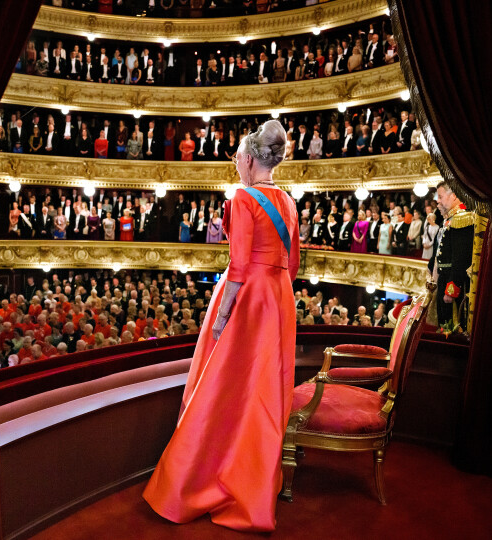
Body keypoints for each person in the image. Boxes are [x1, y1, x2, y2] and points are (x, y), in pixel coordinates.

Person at [144, 119, 299, 532]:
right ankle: (257, 479)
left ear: (248, 159)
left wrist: (222, 318)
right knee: (263, 391)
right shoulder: (289, 200)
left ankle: (203, 478)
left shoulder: (243, 198)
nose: (236, 165)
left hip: (247, 300)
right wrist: (275, 288)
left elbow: (238, 266)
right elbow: (294, 263)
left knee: (224, 390)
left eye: (236, 159)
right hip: (280, 297)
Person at [429, 182, 475, 327]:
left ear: (454, 195)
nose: (438, 200)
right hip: (444, 278)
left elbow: (461, 259)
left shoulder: (462, 218)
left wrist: (452, 288)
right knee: (444, 325)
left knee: (452, 326)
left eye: (441, 196)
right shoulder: (450, 219)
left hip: (453, 282)